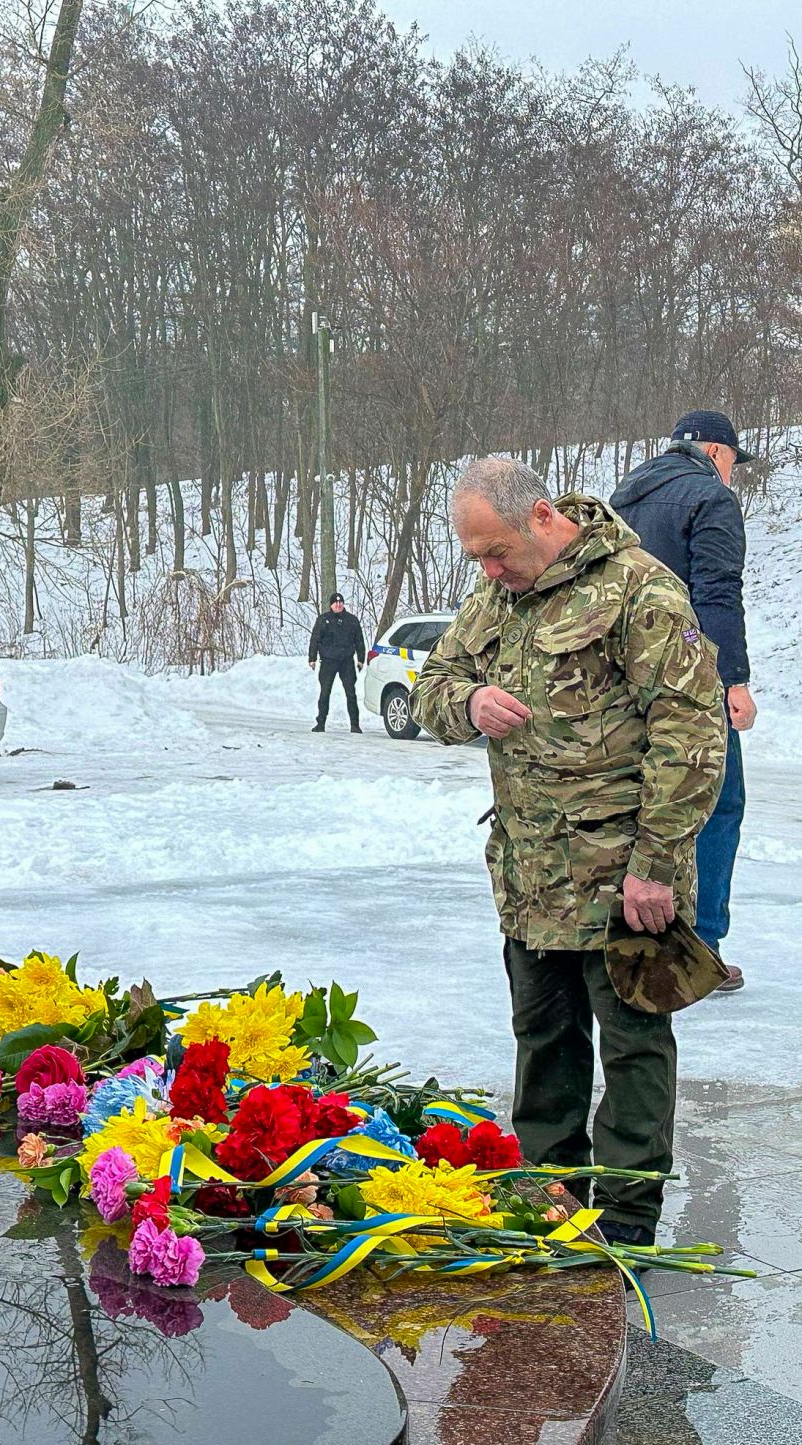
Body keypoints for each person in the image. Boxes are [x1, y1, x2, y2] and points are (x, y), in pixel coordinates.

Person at [411, 457, 726, 1247]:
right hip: (529, 874)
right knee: (542, 1044)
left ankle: (623, 1219)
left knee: (632, 1047)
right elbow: (433, 685)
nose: (487, 570)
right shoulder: (497, 594)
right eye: (475, 557)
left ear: (543, 517)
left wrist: (656, 864)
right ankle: (549, 1202)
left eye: (497, 553)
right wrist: (469, 700)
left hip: (623, 876)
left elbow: (690, 735)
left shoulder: (640, 590)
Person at [610, 410, 755, 991]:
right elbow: (717, 591)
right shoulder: (710, 498)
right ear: (718, 453)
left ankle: (635, 937)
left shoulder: (623, 498)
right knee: (716, 804)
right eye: (732, 463)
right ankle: (703, 949)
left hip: (623, 685)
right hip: (690, 683)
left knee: (642, 802)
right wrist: (732, 679)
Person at [308, 591, 367, 733]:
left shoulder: (351, 620)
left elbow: (359, 640)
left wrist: (360, 659)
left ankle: (355, 724)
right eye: (336, 602)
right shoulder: (323, 620)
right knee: (325, 692)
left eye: (340, 602)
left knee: (351, 693)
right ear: (331, 605)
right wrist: (312, 658)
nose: (338, 605)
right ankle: (320, 723)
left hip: (346, 661)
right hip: (328, 661)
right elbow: (315, 639)